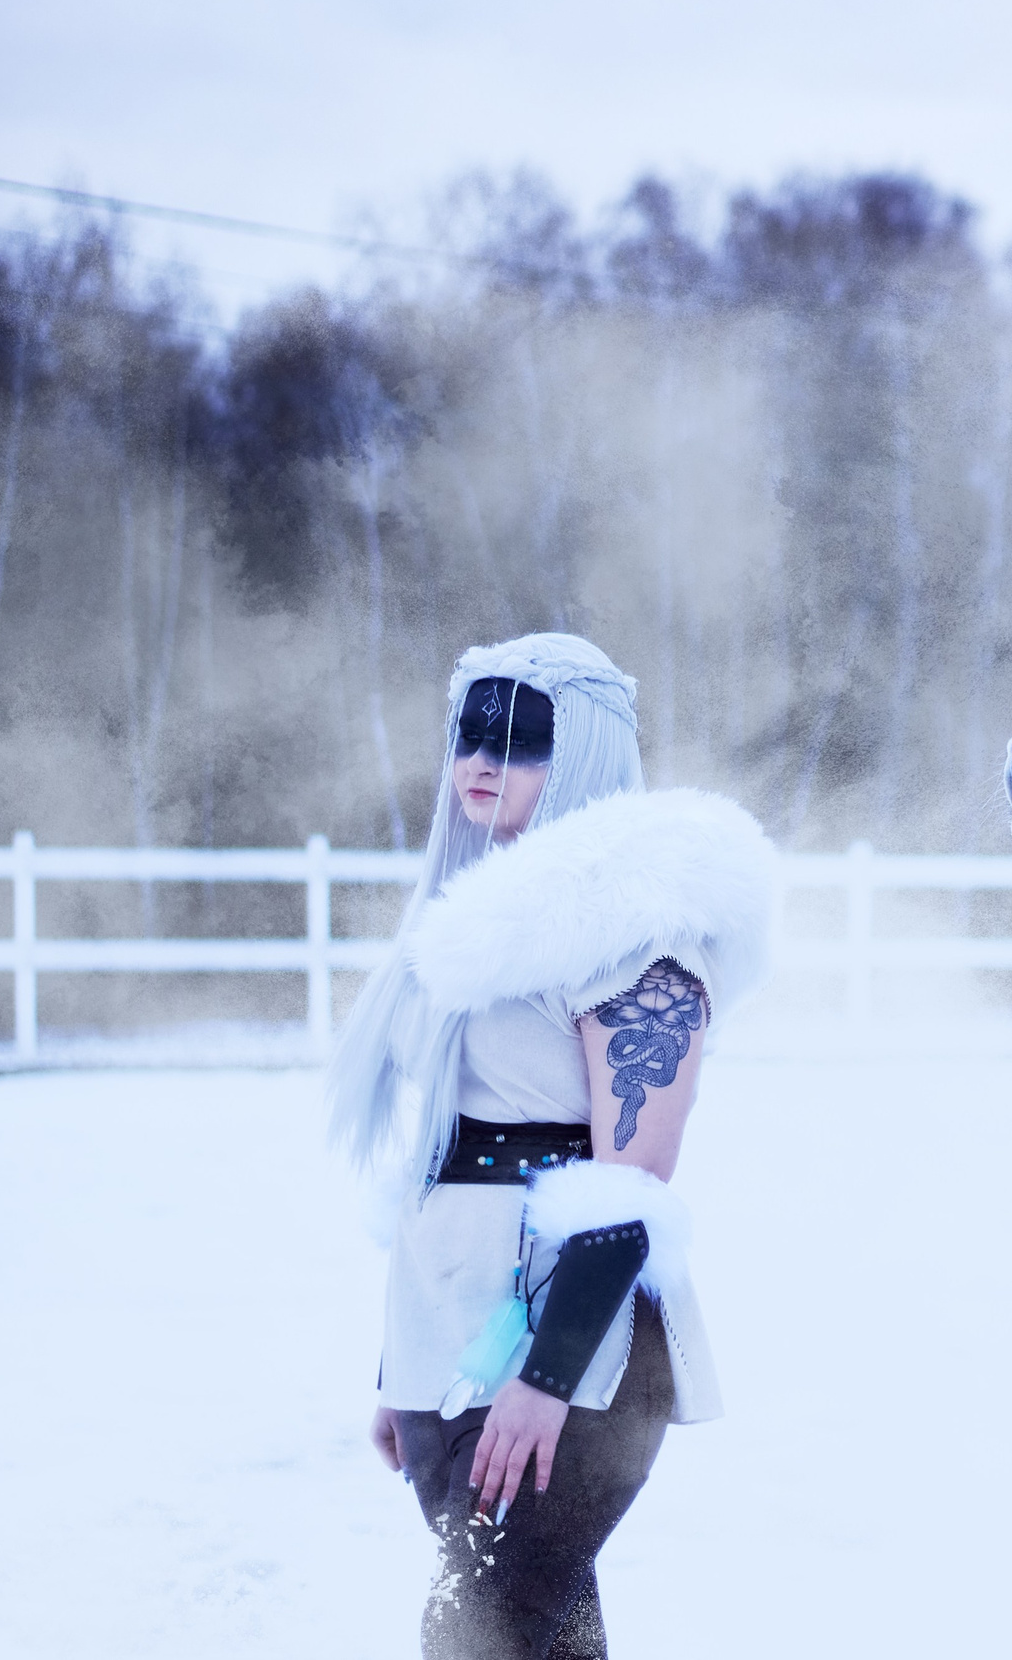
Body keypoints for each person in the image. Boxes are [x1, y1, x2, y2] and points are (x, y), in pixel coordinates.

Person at [328, 633, 776, 1658]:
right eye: (472, 734)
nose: (485, 761)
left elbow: (634, 1186)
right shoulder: (466, 931)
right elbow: (442, 1159)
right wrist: (403, 1369)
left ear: (582, 754)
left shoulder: (635, 936)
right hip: (450, 1338)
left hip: (579, 1343)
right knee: (546, 1634)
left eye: (524, 741)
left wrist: (546, 1378)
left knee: (477, 1626)